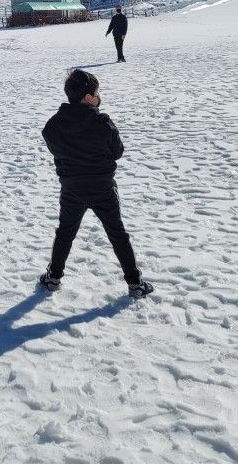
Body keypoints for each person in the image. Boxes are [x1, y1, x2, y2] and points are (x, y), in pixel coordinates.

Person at [38, 69, 153, 299]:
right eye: (97, 92)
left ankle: (53, 277)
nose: (99, 96)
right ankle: (135, 283)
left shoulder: (53, 124)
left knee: (65, 233)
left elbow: (54, 146)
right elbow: (117, 152)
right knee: (117, 234)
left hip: (71, 189)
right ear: (88, 98)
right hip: (103, 188)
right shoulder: (102, 122)